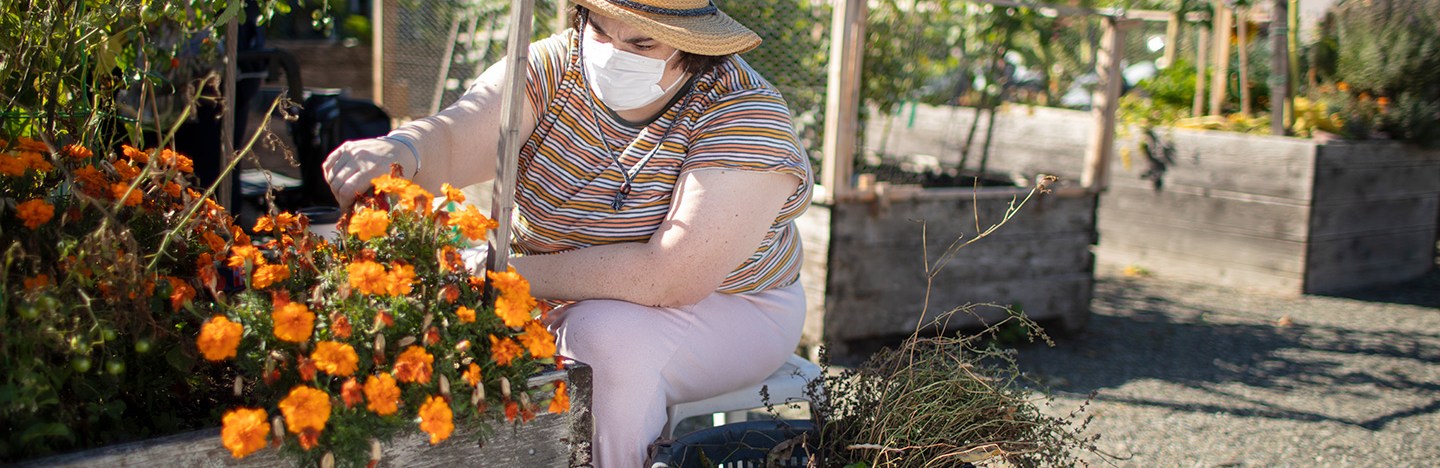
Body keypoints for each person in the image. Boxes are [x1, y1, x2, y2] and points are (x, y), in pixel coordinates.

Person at [323, 0, 812, 465]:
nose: (612, 54)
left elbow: (670, 278)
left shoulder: (744, 112)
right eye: (599, 27)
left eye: (643, 45)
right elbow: (455, 138)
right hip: (547, 288)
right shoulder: (553, 67)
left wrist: (501, 275)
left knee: (603, 338)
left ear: (694, 47)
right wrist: (403, 152)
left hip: (729, 307)